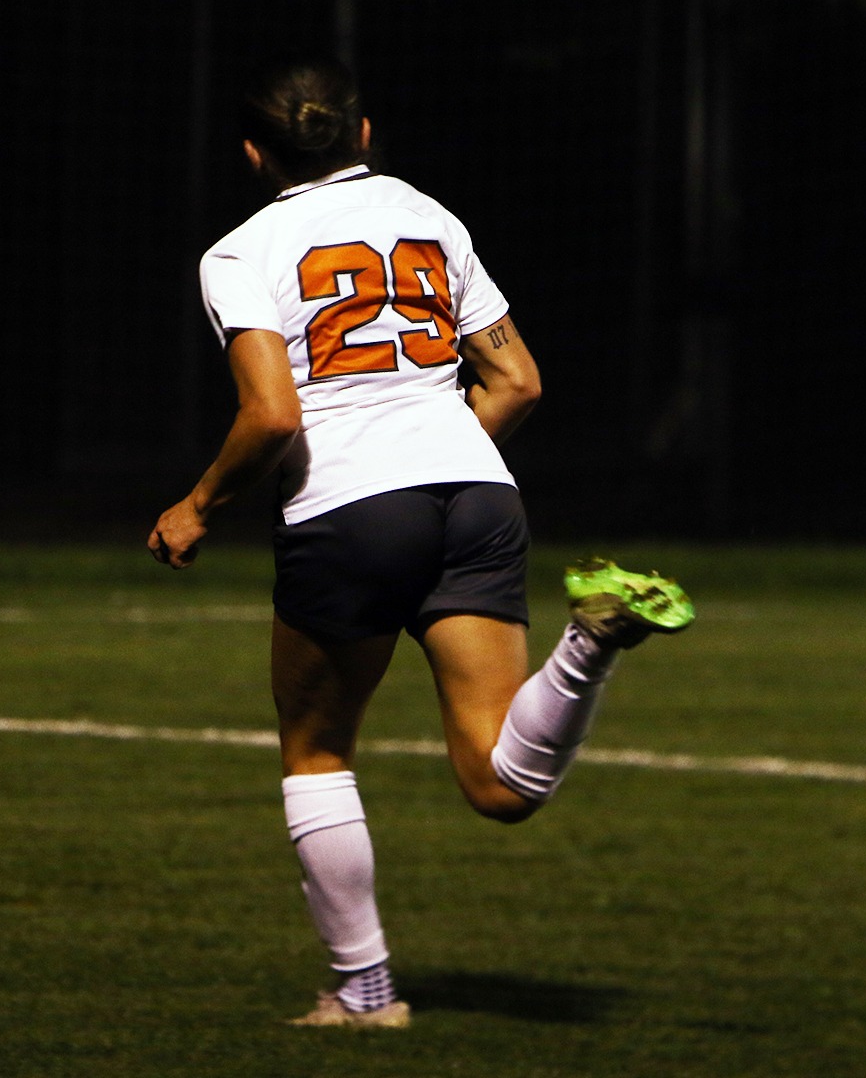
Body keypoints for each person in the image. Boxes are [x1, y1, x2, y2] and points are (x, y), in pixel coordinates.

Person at [148, 55, 694, 1029]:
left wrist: (196, 506)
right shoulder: (429, 217)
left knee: (317, 749)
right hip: (478, 493)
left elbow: (271, 416)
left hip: (351, 507)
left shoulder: (239, 252)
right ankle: (588, 643)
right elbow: (518, 380)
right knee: (498, 783)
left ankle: (365, 993)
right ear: (362, 134)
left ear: (253, 154)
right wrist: (435, 454)